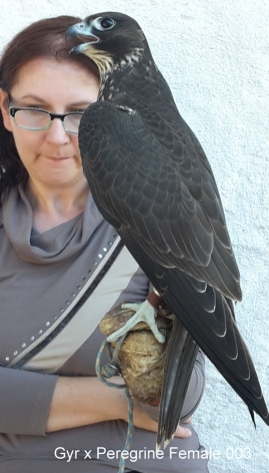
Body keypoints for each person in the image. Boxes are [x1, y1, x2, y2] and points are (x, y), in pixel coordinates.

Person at [0, 15, 208, 473]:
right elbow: (153, 403)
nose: (58, 137)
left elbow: (178, 396)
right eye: (34, 110)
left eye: (79, 114)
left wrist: (25, 403)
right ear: (4, 110)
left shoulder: (157, 214)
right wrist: (114, 399)